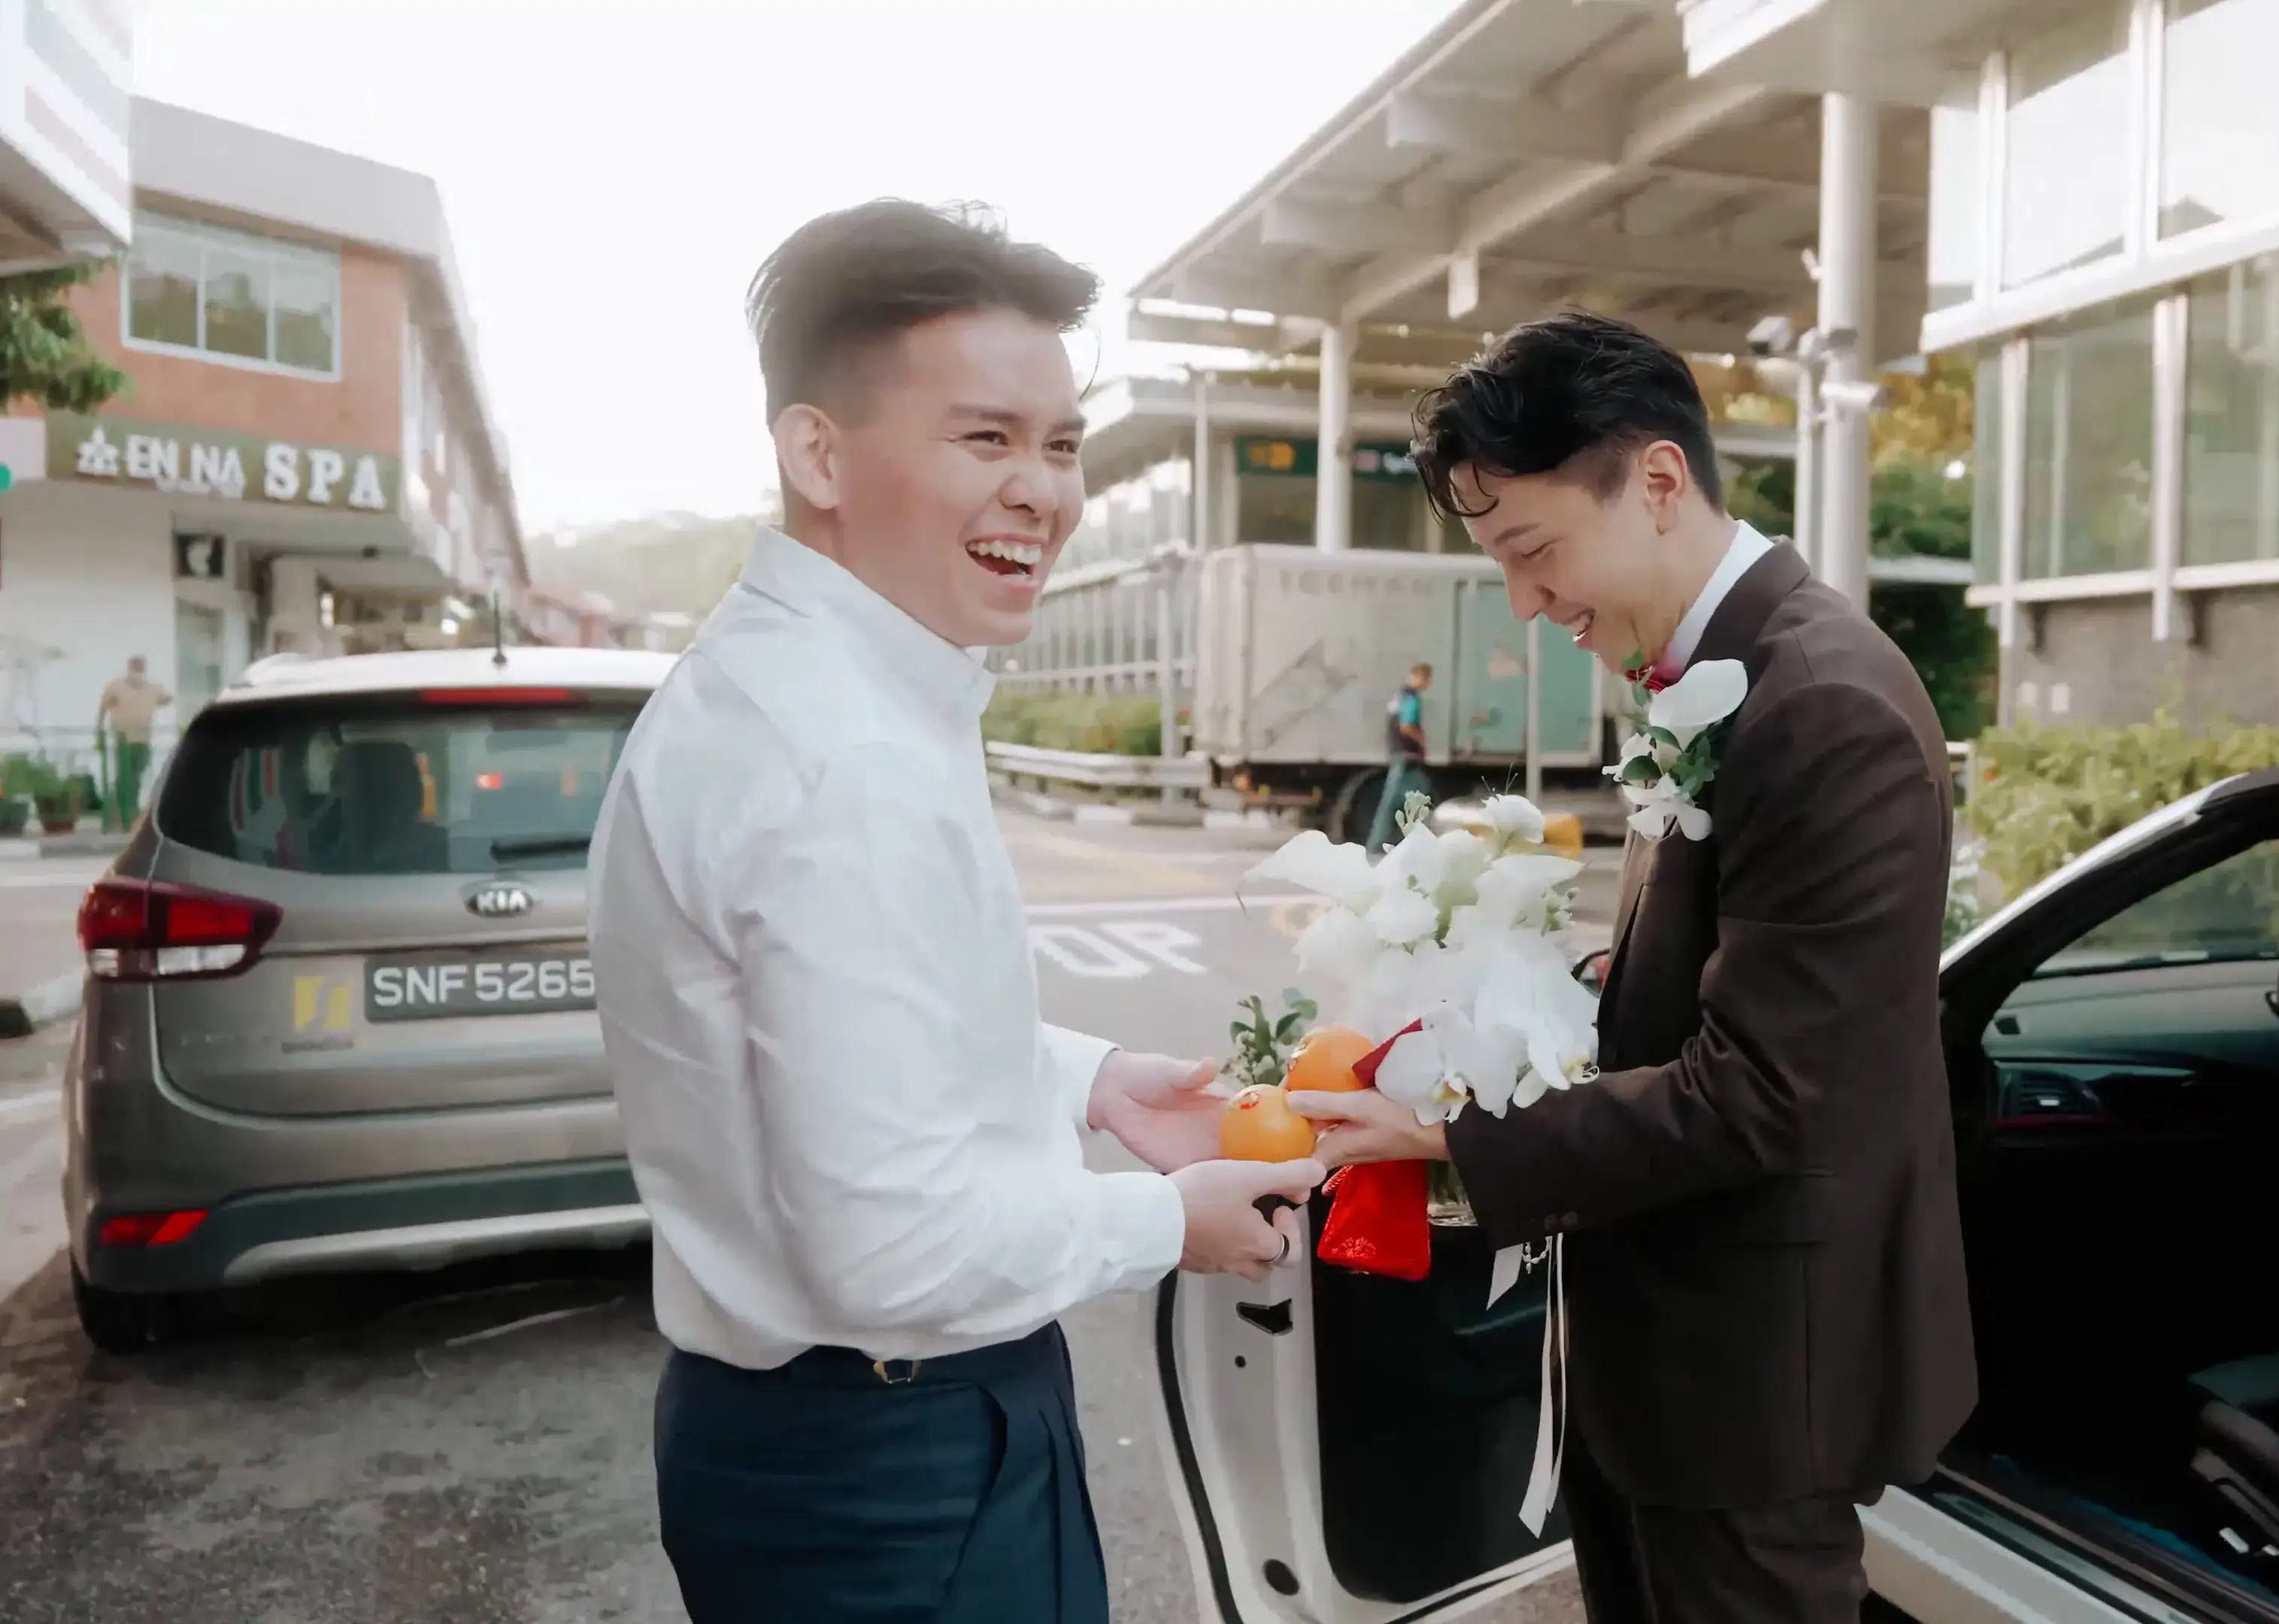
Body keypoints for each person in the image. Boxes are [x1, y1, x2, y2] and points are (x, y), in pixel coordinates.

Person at [587, 200, 1323, 1624]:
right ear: (818, 455)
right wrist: (1173, 1223)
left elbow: (828, 1038)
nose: (1041, 491)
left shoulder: (796, 689)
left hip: (806, 1445)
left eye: (1060, 446)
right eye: (985, 439)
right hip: (896, 1465)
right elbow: (894, 1252)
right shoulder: (844, 757)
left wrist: (1098, 1082)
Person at [1290, 311, 1974, 1622]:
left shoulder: (1816, 700)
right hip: (1671, 1359)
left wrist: (1455, 1132)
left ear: (1658, 483)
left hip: (1750, 1383)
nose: (1527, 604)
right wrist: (1574, 994)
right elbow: (1736, 978)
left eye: (1533, 552)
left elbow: (1772, 1091)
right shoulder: (1726, 673)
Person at [95, 655, 170, 831]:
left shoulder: (151, 688)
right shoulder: (117, 687)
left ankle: (128, 812)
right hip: (124, 739)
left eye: (140, 667)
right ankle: (124, 814)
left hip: (143, 739)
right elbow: (103, 708)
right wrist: (99, 731)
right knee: (125, 777)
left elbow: (165, 699)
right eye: (135, 667)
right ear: (129, 668)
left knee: (137, 777)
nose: (138, 671)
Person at [1366, 661, 1432, 852]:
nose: (1427, 685)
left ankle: (1414, 842)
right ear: (1419, 677)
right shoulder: (1411, 697)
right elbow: (1406, 726)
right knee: (1404, 801)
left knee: (1415, 799)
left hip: (1400, 754)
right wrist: (1422, 740)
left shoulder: (1400, 696)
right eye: (1427, 680)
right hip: (1407, 755)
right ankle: (1377, 844)